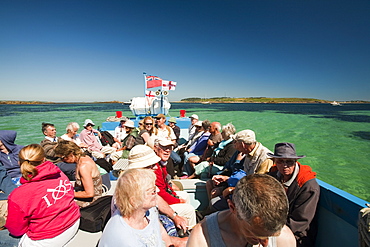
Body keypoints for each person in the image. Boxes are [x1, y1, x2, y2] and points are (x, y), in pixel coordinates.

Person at [187, 174, 296, 247]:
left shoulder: (285, 238)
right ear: (233, 208)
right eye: (256, 234)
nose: (266, 244)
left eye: (271, 235)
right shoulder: (203, 238)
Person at [4, 144, 80, 246]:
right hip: (73, 222)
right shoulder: (59, 174)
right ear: (43, 159)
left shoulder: (18, 195)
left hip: (47, 239)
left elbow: (16, 231)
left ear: (19, 163)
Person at [99, 168, 184, 247]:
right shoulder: (124, 236)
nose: (156, 193)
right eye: (152, 191)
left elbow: (166, 240)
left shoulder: (150, 212)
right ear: (134, 200)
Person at [127, 145, 192, 231]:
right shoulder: (132, 189)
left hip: (155, 216)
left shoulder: (145, 181)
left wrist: (174, 216)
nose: (155, 167)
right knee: (189, 210)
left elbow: (158, 198)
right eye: (151, 165)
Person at [268, 142, 320, 247]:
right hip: (273, 224)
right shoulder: (273, 176)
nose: (285, 165)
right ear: (275, 162)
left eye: (289, 162)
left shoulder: (308, 186)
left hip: (297, 235)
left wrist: (268, 232)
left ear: (296, 161)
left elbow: (299, 222)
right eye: (280, 161)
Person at [153, 139, 197, 228]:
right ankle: (191, 232)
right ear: (156, 148)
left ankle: (182, 225)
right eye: (164, 147)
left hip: (161, 197)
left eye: (170, 147)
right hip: (156, 204)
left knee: (184, 195)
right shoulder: (155, 166)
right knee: (190, 209)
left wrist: (176, 197)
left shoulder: (162, 163)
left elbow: (166, 186)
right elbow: (160, 193)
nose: (168, 150)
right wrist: (178, 201)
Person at [55, 140, 103, 208]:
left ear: (71, 154)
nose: (62, 160)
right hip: (86, 198)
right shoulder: (83, 158)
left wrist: (66, 193)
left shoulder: (84, 166)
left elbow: (89, 194)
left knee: (58, 203)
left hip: (91, 203)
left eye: (62, 158)